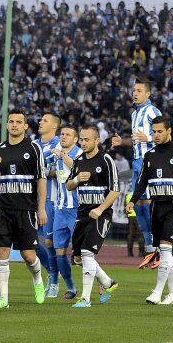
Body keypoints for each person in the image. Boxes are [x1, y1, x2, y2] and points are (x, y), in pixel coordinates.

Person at [0, 109, 49, 309]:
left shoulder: (34, 149)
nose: (15, 125)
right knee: (1, 251)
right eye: (11, 122)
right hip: (3, 210)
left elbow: (41, 180)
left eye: (19, 122)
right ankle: (3, 299)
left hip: (26, 210)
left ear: (25, 126)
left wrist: (41, 208)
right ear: (7, 125)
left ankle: (38, 280)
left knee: (28, 255)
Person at [127, 115, 173, 305]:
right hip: (155, 206)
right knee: (165, 252)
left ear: (169, 131)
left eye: (160, 131)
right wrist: (133, 201)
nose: (156, 135)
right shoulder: (149, 155)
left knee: (166, 249)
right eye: (154, 132)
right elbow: (142, 181)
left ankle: (157, 292)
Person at [67, 124, 120, 307]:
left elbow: (115, 190)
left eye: (86, 139)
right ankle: (108, 283)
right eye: (81, 139)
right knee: (78, 258)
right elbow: (68, 185)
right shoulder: (79, 160)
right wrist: (76, 179)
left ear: (97, 141)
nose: (83, 142)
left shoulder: (106, 160)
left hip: (101, 213)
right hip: (82, 212)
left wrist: (100, 209)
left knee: (88, 253)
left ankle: (85, 298)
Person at [112, 77, 161, 269]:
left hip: (149, 161)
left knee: (147, 203)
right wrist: (121, 142)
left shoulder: (152, 111)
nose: (135, 93)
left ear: (148, 93)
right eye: (134, 90)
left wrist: (148, 137)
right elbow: (135, 141)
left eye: (139, 90)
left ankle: (156, 246)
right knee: (137, 203)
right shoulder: (135, 114)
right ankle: (150, 247)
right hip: (136, 162)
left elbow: (165, 135)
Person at [50, 124, 83, 299]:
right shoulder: (57, 155)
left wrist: (62, 155)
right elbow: (56, 173)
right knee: (60, 254)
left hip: (77, 209)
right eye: (62, 134)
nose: (63, 137)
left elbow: (76, 168)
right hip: (60, 209)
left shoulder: (79, 154)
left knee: (82, 253)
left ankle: (102, 281)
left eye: (68, 135)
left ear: (75, 139)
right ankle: (71, 289)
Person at [34, 111, 62, 294]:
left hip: (51, 200)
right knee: (31, 243)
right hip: (31, 201)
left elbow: (59, 170)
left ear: (54, 126)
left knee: (50, 242)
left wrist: (41, 171)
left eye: (45, 120)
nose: (40, 122)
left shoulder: (60, 144)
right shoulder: (33, 145)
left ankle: (54, 282)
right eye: (40, 119)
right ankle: (52, 272)